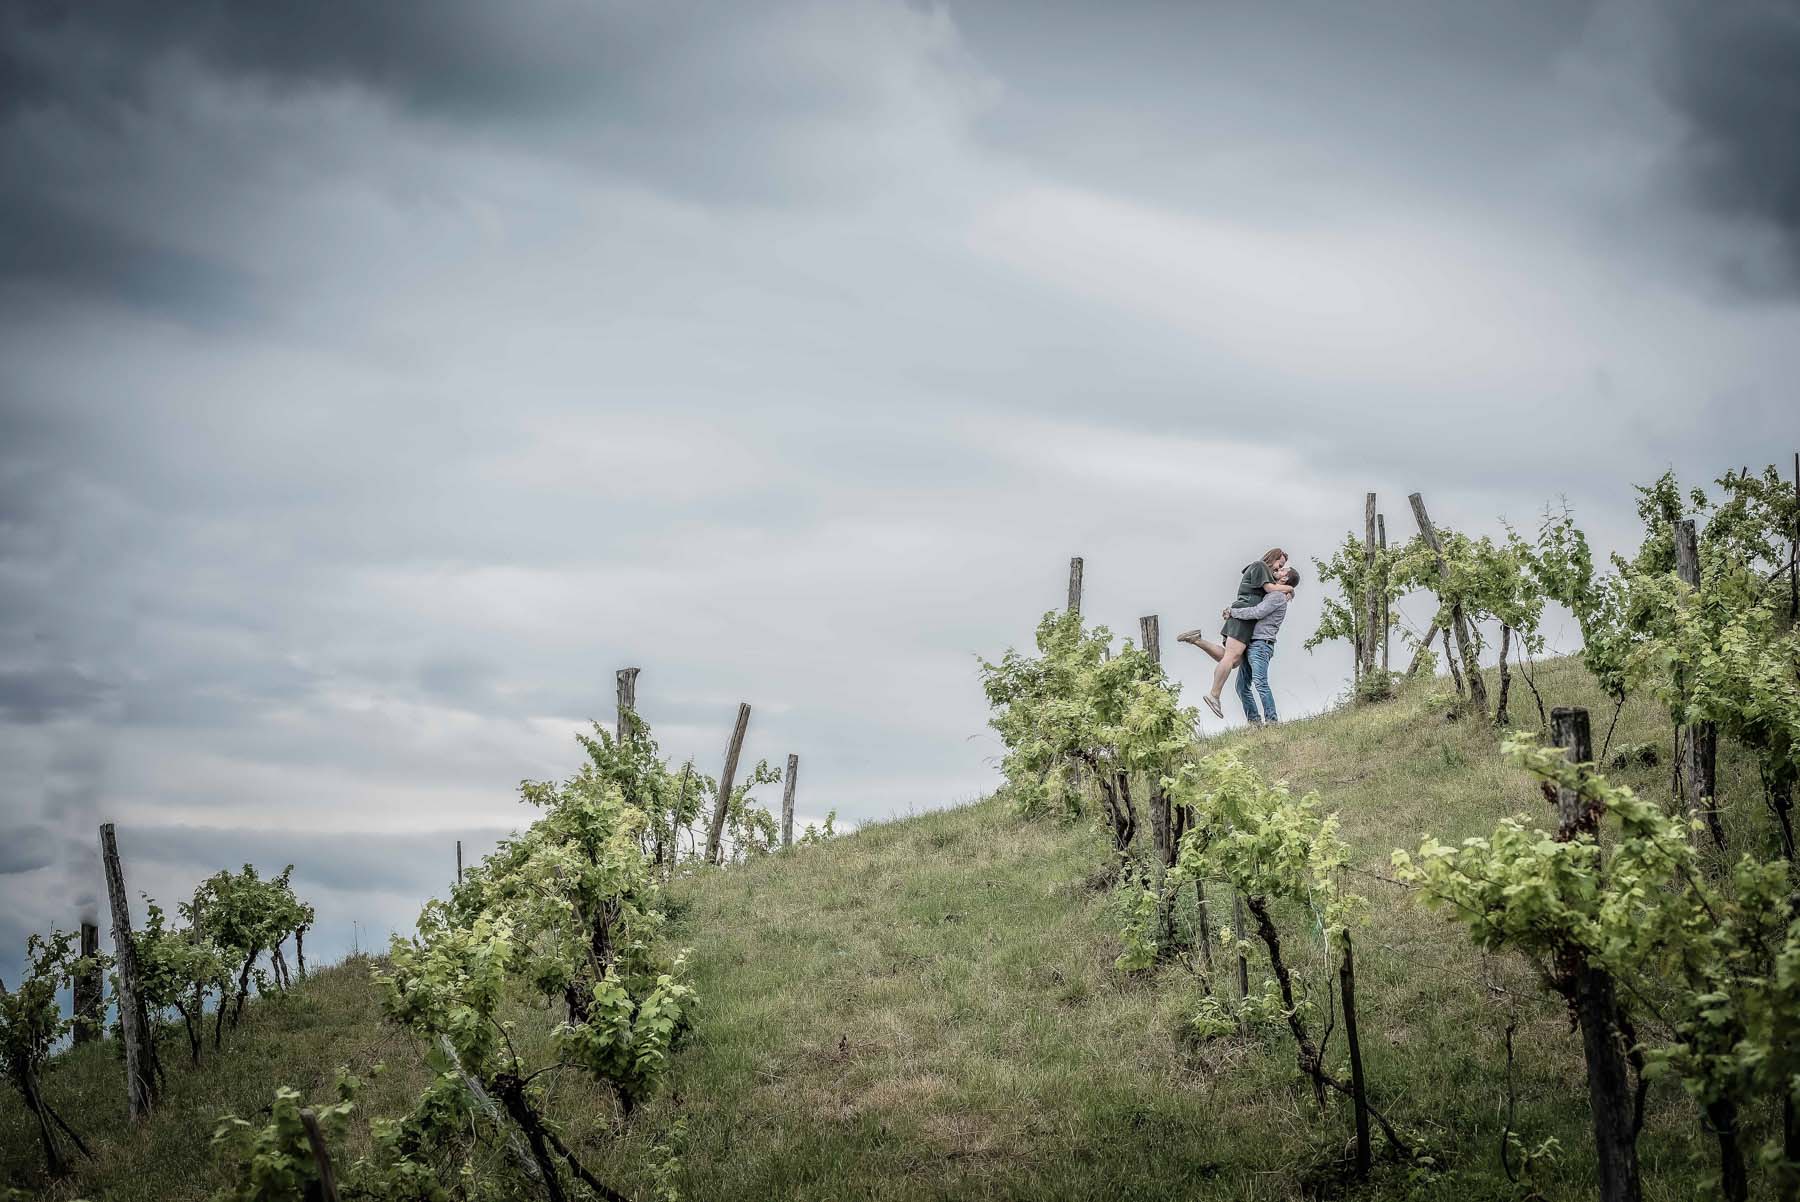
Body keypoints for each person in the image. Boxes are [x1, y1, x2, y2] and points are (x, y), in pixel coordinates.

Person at [1178, 548, 1292, 718]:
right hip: (1243, 616)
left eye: (1282, 568)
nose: (1278, 569)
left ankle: (1197, 640)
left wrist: (1285, 589)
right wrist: (1289, 588)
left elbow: (1271, 589)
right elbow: (1270, 589)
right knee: (1231, 657)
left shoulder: (1262, 572)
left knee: (1234, 660)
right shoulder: (1260, 566)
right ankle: (1214, 695)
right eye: (1279, 565)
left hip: (1244, 618)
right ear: (1272, 558)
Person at [1221, 566, 1298, 723]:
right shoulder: (1273, 593)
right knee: (1242, 687)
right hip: (1252, 644)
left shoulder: (1277, 596)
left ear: (1284, 578)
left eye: (1283, 570)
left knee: (1260, 682)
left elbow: (1257, 612)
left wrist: (1233, 612)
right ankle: (1254, 722)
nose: (1278, 570)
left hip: (1261, 645)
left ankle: (1272, 720)